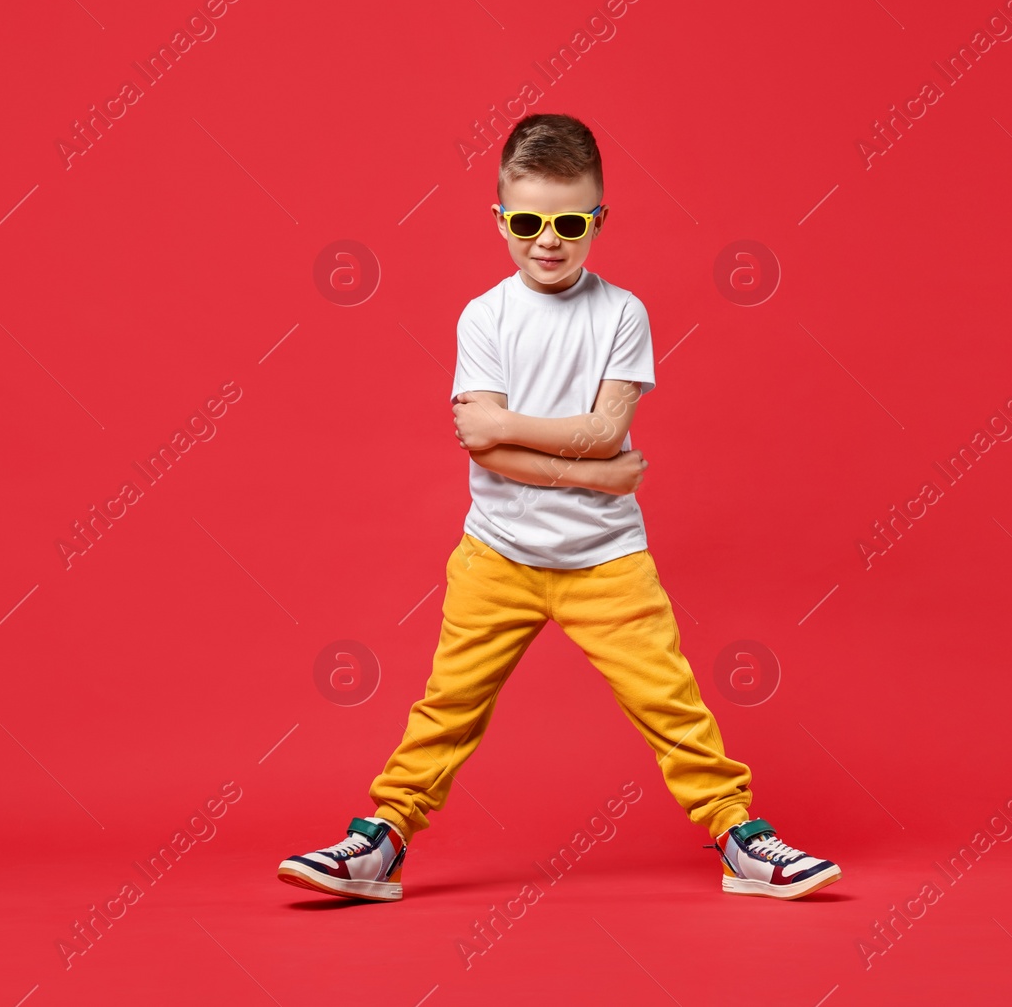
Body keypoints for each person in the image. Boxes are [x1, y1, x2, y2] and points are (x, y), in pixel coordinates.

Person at [277, 113, 841, 903]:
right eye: (530, 221)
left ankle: (738, 836)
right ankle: (385, 839)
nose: (550, 239)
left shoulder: (622, 314)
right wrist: (599, 476)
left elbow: (607, 429)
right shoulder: (484, 316)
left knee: (670, 702)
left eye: (571, 221)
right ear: (501, 219)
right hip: (496, 554)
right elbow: (488, 448)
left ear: (598, 220)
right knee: (447, 705)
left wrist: (523, 431)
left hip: (606, 560)